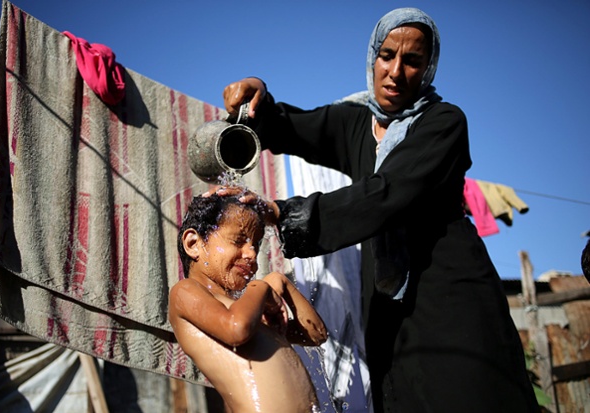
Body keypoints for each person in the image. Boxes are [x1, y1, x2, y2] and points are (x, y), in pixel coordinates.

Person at [219, 7, 541, 413]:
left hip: (450, 293)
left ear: (428, 69)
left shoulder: (443, 123)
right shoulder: (358, 121)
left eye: (412, 61)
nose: (395, 71)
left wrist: (286, 213)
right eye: (387, 55)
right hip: (388, 303)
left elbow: (387, 193)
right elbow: (292, 126)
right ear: (373, 56)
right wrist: (256, 98)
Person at [168, 193, 328, 413]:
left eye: (256, 244)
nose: (252, 254)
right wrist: (261, 287)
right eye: (237, 240)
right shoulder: (184, 291)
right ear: (193, 243)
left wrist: (282, 282)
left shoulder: (249, 312)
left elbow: (315, 334)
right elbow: (236, 329)